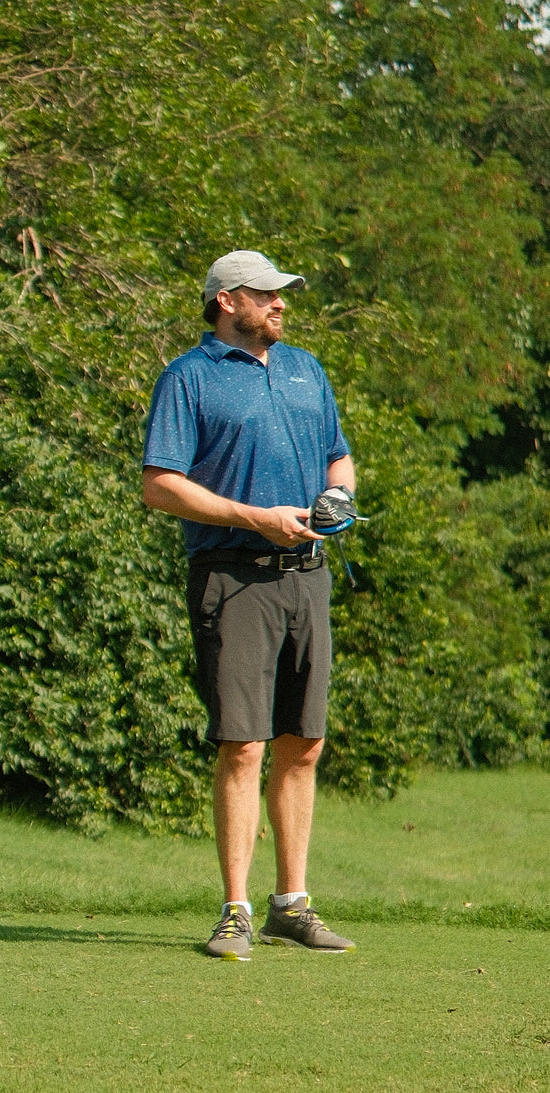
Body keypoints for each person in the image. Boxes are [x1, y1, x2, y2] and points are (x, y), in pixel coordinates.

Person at [141, 250, 359, 962]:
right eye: (269, 295)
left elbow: (338, 455)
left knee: (305, 741)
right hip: (232, 573)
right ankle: (235, 909)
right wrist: (251, 516)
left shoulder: (304, 369)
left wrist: (339, 497)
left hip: (308, 573)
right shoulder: (189, 378)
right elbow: (162, 485)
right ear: (228, 300)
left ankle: (290, 904)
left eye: (283, 295)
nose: (282, 305)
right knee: (243, 743)